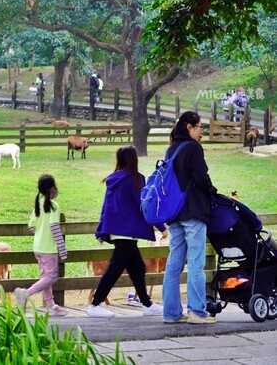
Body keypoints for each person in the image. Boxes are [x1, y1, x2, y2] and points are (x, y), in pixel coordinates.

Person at [87, 146, 167, 318]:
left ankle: (146, 303)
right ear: (134, 159)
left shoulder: (112, 179)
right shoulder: (135, 179)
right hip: (127, 230)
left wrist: (101, 230)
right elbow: (144, 205)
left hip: (117, 231)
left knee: (137, 266)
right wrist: (161, 226)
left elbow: (106, 206)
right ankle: (95, 304)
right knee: (115, 268)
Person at [162, 111, 218, 324]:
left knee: (174, 263)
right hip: (193, 211)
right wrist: (212, 190)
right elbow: (201, 178)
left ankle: (171, 313)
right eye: (199, 127)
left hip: (174, 213)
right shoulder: (193, 148)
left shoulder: (171, 149)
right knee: (196, 262)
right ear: (189, 127)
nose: (201, 131)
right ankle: (197, 311)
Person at [14, 174, 68, 316]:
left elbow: (31, 227)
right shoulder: (53, 206)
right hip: (48, 249)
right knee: (51, 277)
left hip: (38, 247)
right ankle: (25, 293)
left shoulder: (38, 205)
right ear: (51, 189)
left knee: (46, 277)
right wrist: (62, 249)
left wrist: (41, 230)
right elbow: (55, 228)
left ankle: (51, 306)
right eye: (55, 186)